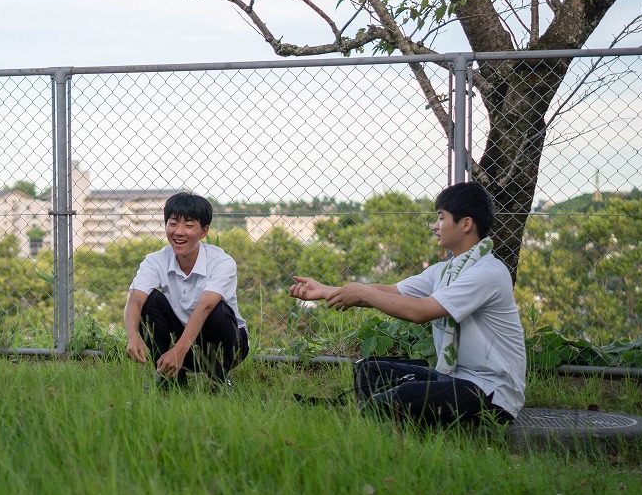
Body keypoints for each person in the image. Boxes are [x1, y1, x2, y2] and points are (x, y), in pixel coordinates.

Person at [289, 181, 525, 425]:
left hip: (491, 393)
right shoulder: (445, 271)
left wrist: (362, 292)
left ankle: (365, 416)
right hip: (453, 378)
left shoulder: (487, 273)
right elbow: (392, 292)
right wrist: (326, 290)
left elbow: (420, 311)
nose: (435, 226)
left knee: (401, 397)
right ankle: (372, 416)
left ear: (466, 224)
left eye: (441, 218)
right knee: (371, 370)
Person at [124, 192, 249, 389]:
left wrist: (179, 351)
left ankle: (219, 380)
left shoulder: (222, 262)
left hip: (229, 346)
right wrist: (132, 336)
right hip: (182, 341)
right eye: (173, 224)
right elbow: (135, 300)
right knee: (149, 302)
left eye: (189, 226)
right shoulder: (155, 260)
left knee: (218, 310)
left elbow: (205, 307)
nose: (179, 232)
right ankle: (170, 379)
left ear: (204, 231)